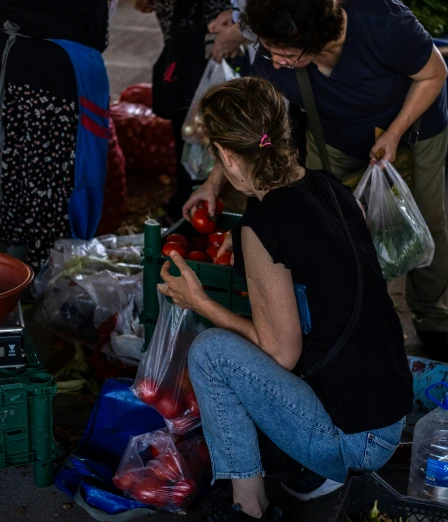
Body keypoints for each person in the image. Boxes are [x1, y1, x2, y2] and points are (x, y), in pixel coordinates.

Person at [158, 77, 413, 521]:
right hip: (391, 411)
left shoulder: (263, 223)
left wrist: (200, 303)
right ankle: (301, 471)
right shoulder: (327, 186)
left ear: (229, 159)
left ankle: (248, 508)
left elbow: (280, 351)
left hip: (355, 439)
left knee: (211, 353)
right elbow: (324, 271)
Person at [184, 0, 448, 366]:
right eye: (268, 49)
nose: (274, 60)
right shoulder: (275, 44)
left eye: (284, 54)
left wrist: (393, 133)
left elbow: (433, 74)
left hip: (413, 129)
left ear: (313, 41)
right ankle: (343, 317)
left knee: (421, 225)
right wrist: (214, 181)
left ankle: (431, 320)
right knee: (322, 224)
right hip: (334, 134)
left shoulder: (383, 22)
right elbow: (250, 132)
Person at [0, 0, 111, 272]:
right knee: (53, 178)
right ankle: (46, 275)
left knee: (10, 164)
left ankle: (16, 266)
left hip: (4, 54)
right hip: (56, 64)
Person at [135, 0, 233, 221]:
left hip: (212, 40)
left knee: (209, 126)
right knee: (190, 127)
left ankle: (203, 200)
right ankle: (193, 201)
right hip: (186, 42)